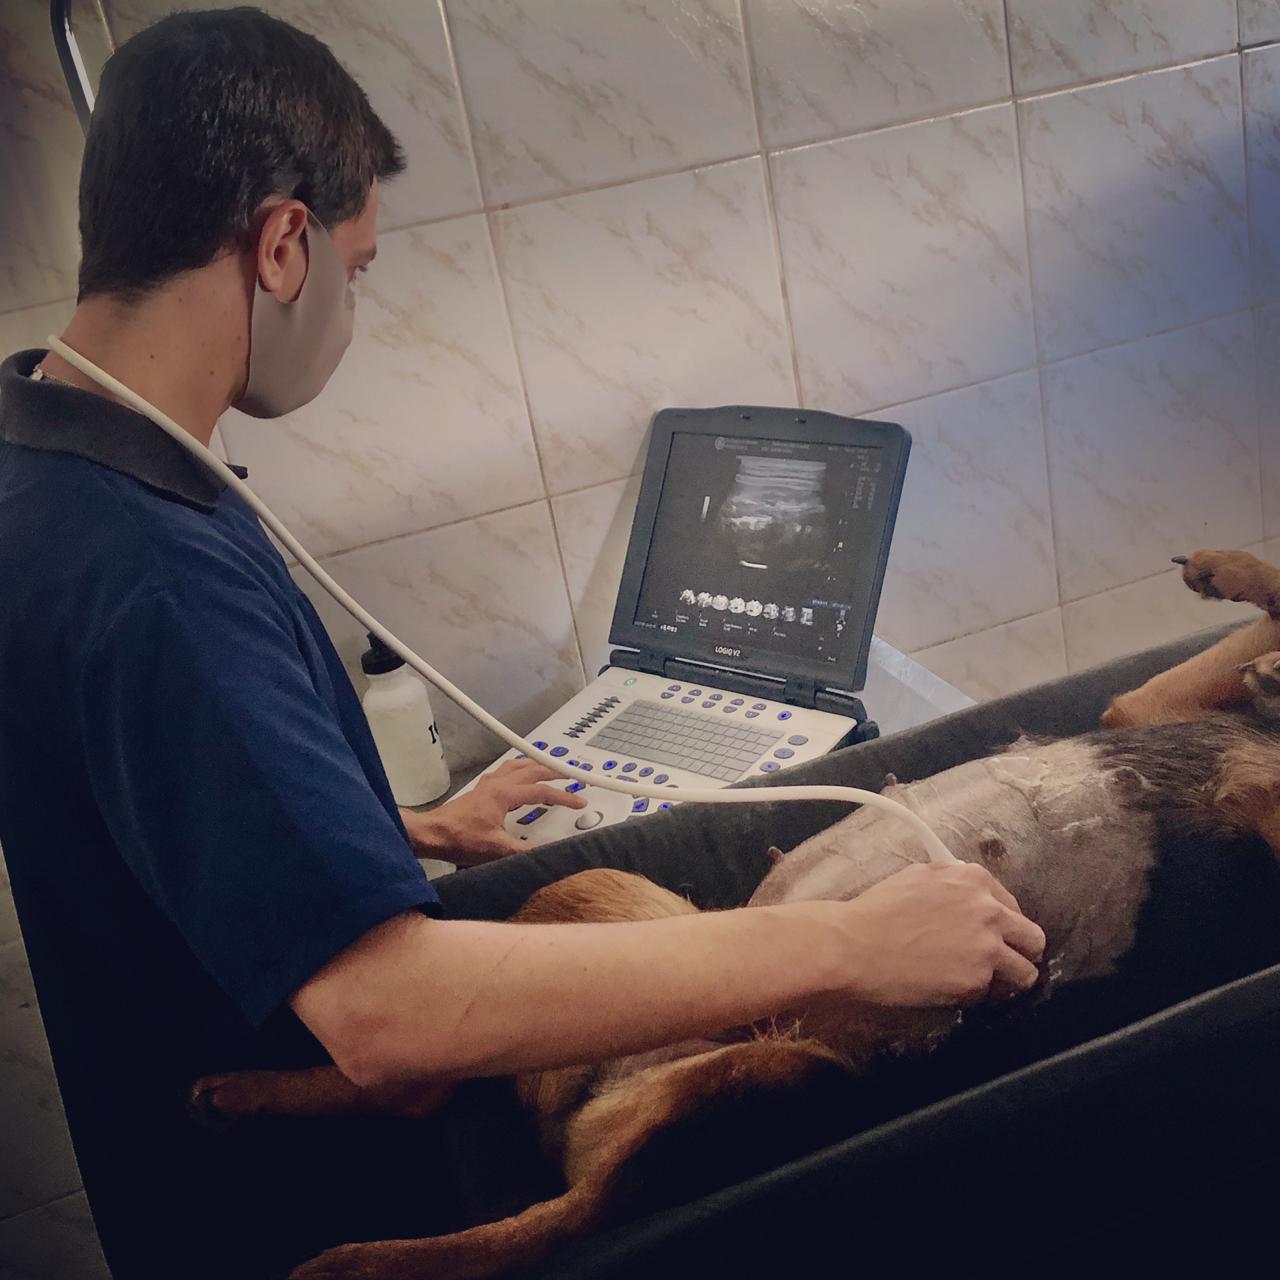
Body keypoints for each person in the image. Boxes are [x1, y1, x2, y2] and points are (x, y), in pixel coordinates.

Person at [0, 9, 1045, 1278]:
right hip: (293, 1213)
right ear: (281, 246)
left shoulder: (47, 456)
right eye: (356, 270)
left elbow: (156, 788)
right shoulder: (148, 568)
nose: (350, 310)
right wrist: (852, 943)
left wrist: (372, 831)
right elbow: (390, 1013)